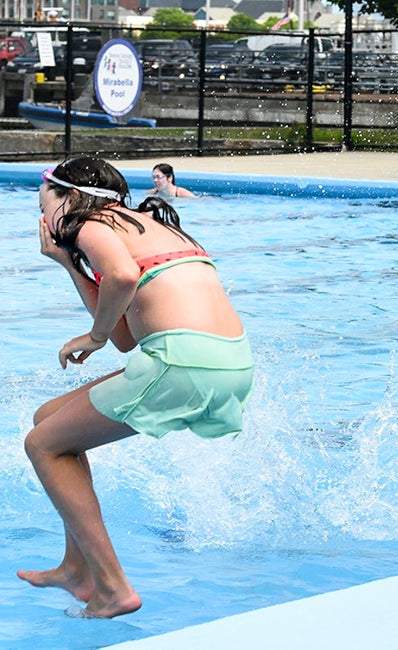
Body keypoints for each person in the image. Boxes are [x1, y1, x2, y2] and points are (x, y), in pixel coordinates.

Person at [18, 158, 254, 617]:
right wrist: (69, 264)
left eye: (42, 199)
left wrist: (94, 337)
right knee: (50, 420)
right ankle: (76, 567)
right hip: (226, 360)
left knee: (42, 446)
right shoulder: (141, 225)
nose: (42, 213)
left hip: (184, 359)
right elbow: (129, 338)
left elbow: (121, 291)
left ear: (68, 196)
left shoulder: (91, 222)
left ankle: (111, 587)